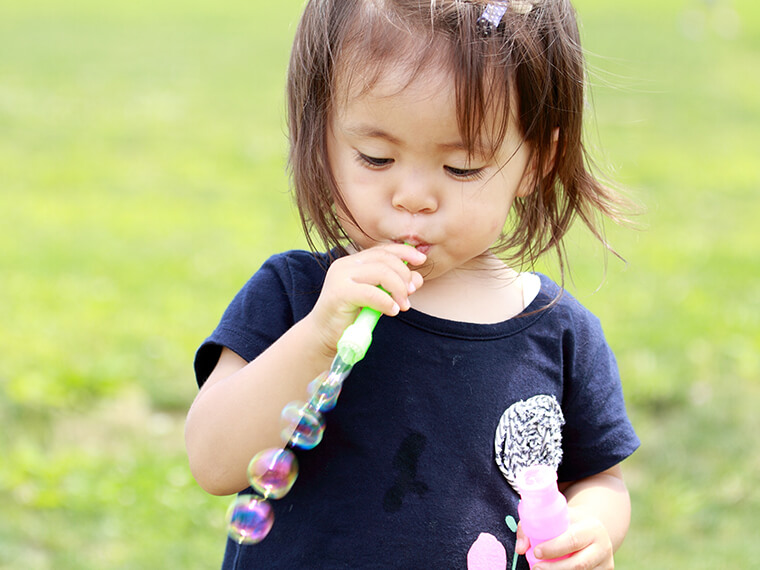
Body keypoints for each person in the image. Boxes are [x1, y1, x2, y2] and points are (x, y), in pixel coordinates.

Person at [185, 0, 640, 567]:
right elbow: (212, 459)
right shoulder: (297, 295)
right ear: (321, 139)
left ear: (536, 162)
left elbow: (600, 478)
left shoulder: (559, 334)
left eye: (461, 168)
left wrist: (591, 526)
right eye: (376, 158)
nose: (414, 197)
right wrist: (318, 337)